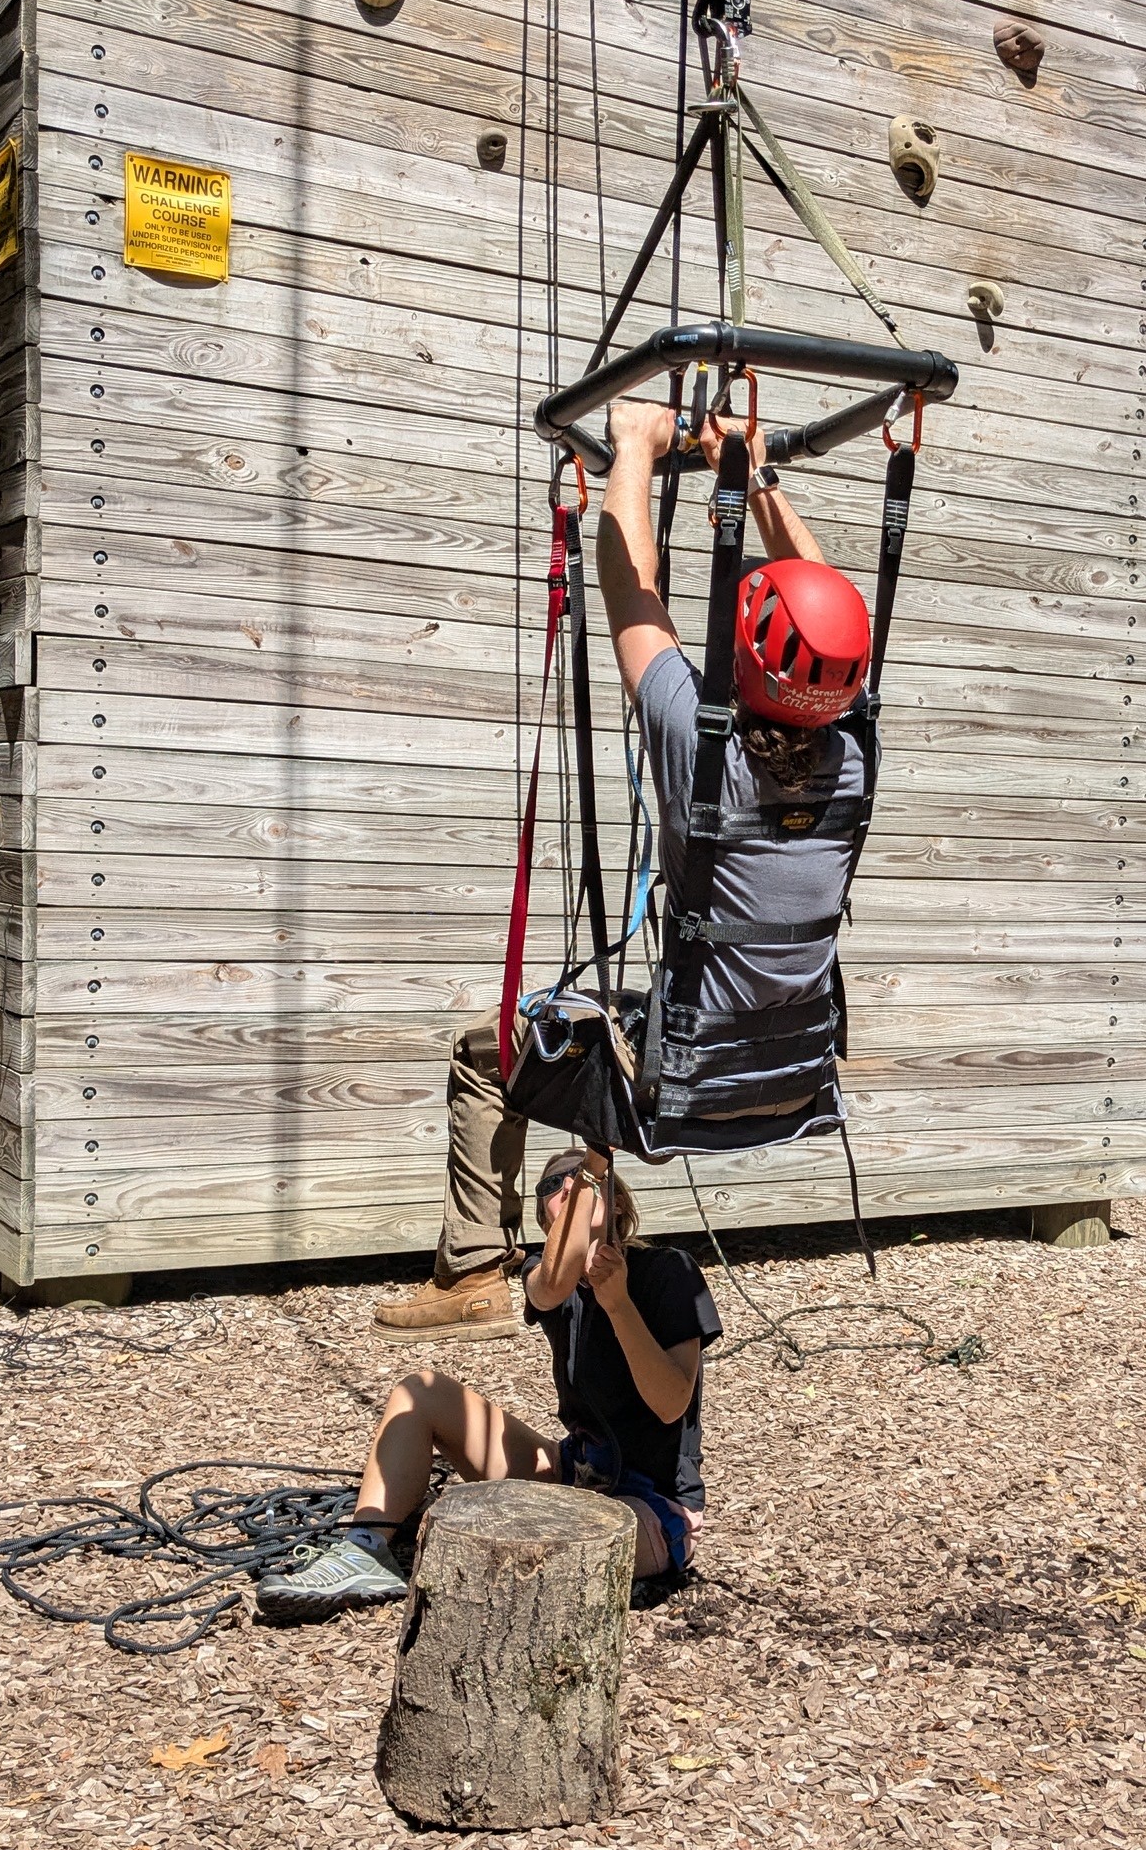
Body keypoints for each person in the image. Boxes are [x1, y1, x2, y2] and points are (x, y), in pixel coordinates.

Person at [372, 400, 876, 1343]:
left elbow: (629, 587)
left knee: (486, 1055)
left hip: (690, 1076)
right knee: (632, 1009)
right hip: (792, 1070)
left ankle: (474, 1268)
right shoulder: (857, 753)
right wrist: (759, 474)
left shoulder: (704, 743)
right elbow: (825, 607)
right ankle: (579, 1240)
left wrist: (636, 451)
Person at [255, 1146, 721, 1618]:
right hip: (574, 1473)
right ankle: (364, 1547)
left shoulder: (670, 1272)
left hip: (651, 1503)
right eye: (554, 1187)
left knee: (536, 1556)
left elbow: (669, 1404)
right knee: (422, 1390)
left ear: (617, 1203)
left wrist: (618, 1304)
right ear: (546, 1220)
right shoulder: (542, 1274)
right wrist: (591, 1169)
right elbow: (554, 1282)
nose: (570, 1187)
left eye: (582, 1181)